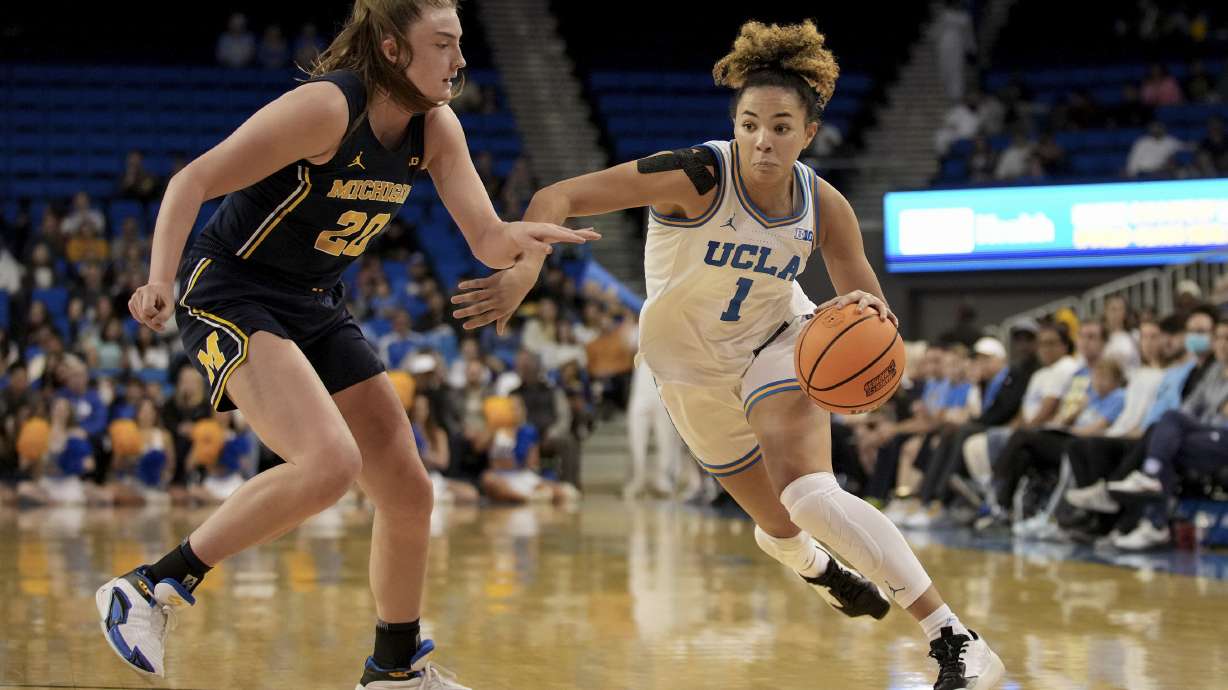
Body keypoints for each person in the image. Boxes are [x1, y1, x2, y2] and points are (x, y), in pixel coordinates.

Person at [451, 20, 1004, 689]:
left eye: (779, 126)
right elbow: (560, 196)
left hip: (781, 341)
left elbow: (864, 292)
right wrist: (525, 265)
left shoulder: (822, 202)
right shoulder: (696, 174)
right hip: (686, 365)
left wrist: (876, 338)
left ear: (808, 133)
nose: (761, 140)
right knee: (776, 526)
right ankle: (818, 570)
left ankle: (953, 636)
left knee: (808, 495)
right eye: (748, 124)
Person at [95, 2, 595, 688]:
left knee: (408, 489)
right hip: (231, 292)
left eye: (460, 44)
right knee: (330, 463)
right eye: (443, 44)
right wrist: (155, 280)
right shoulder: (328, 109)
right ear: (392, 49)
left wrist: (527, 249)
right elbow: (192, 181)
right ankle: (149, 588)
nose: (460, 60)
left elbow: (486, 237)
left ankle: (393, 670)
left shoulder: (435, 127)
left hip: (315, 304)